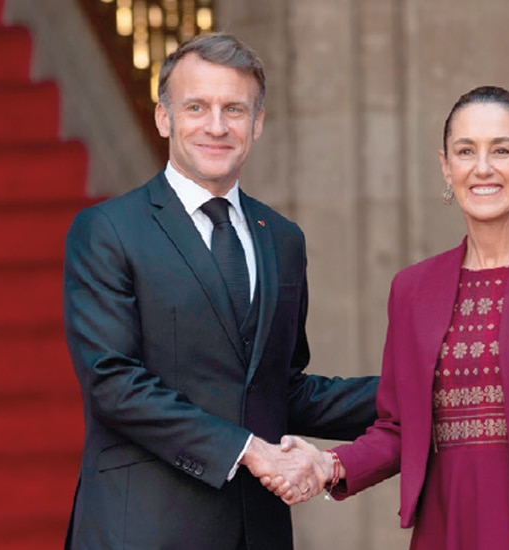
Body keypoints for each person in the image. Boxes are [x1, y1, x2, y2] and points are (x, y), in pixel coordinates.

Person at [271, 86, 509, 549]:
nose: (483, 167)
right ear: (446, 166)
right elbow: (398, 428)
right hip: (447, 527)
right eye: (466, 151)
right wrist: (330, 465)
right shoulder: (411, 290)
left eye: (501, 150)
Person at [61, 32, 379, 550]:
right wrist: (249, 450)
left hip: (257, 532)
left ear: (257, 124)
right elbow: (113, 383)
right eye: (196, 107)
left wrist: (419, 391)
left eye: (234, 109)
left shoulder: (282, 239)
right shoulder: (108, 230)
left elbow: (280, 389)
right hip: (140, 530)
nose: (216, 126)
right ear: (165, 117)